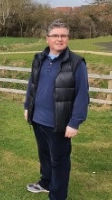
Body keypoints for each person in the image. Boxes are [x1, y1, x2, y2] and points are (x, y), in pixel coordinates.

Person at [23, 19, 89, 200]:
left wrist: (75, 122)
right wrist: (27, 106)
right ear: (47, 39)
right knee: (44, 155)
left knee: (59, 162)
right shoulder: (39, 58)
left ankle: (57, 196)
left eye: (63, 35)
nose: (59, 39)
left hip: (60, 123)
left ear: (68, 38)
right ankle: (45, 182)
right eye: (55, 35)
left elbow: (82, 95)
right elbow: (32, 84)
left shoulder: (76, 63)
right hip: (38, 119)